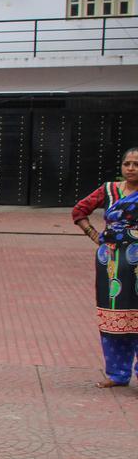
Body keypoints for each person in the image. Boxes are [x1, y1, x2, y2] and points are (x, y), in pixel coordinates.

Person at [72, 147, 138, 388]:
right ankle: (117, 374)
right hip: (110, 262)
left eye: (136, 164)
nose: (131, 168)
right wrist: (95, 236)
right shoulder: (109, 190)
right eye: (127, 163)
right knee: (113, 315)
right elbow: (79, 211)